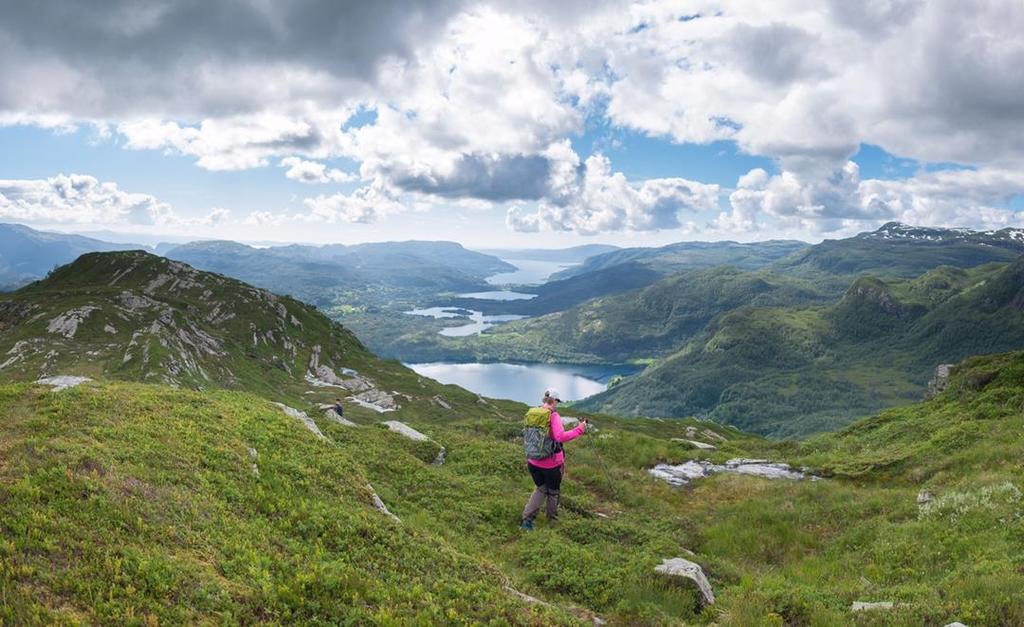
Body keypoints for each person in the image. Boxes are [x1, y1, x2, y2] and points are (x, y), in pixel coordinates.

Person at [521, 388, 588, 530]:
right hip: (551, 464)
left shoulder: (533, 413)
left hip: (533, 461)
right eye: (557, 402)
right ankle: (552, 519)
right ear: (555, 401)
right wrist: (580, 429)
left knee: (540, 489)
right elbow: (560, 437)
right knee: (553, 491)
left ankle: (527, 520)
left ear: (544, 400)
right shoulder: (553, 415)